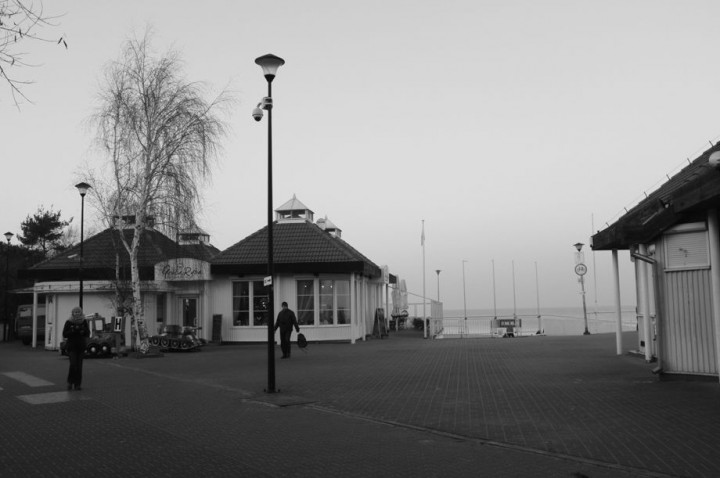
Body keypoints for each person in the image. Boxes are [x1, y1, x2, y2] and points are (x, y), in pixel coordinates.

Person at [63, 306, 90, 390]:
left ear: (81, 313)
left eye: (78, 312)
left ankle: (78, 384)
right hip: (72, 346)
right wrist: (73, 330)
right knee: (73, 364)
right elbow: (64, 334)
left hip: (81, 347)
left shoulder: (84, 321)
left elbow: (88, 333)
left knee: (79, 366)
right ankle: (70, 382)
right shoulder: (69, 322)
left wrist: (83, 330)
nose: (77, 313)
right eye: (75, 312)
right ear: (72, 313)